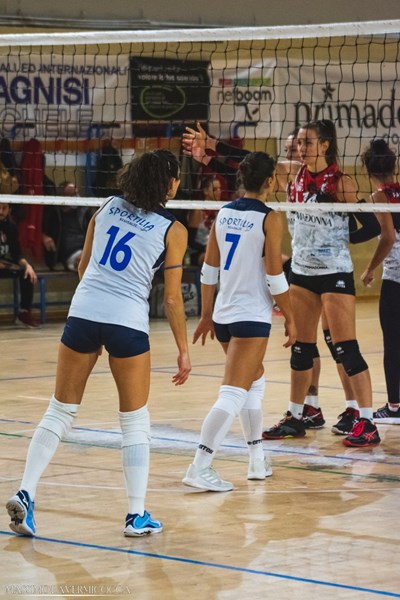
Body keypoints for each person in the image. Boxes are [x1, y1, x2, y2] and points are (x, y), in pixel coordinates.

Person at [6, 149, 191, 537]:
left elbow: (82, 265)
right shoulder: (173, 230)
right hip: (127, 321)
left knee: (59, 411)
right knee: (134, 421)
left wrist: (96, 313)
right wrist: (183, 350)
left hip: (84, 313)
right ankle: (135, 515)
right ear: (169, 183)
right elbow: (173, 299)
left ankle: (26, 491)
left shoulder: (106, 207)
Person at [261, 119, 380, 447]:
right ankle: (295, 416)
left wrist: (342, 237)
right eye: (299, 143)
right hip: (302, 273)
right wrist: (211, 147)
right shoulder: (292, 174)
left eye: (308, 142)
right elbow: (251, 162)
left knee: (346, 348)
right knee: (301, 347)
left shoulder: (341, 183)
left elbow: (372, 227)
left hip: (334, 273)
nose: (301, 148)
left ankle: (367, 421)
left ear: (325, 145)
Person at [182, 151, 296, 492]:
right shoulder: (270, 218)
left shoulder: (224, 213)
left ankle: (257, 459)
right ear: (270, 180)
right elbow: (274, 275)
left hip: (224, 316)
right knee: (232, 393)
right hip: (251, 317)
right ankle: (199, 465)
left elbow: (208, 270)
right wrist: (291, 316)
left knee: (253, 382)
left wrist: (206, 315)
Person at [360, 138, 400, 423]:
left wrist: (370, 268)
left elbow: (388, 237)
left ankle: (394, 407)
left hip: (395, 279)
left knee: (393, 343)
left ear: (368, 170)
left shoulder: (379, 197)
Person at [0, 202, 39, 328]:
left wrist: (27, 265)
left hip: (4, 264)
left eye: (4, 208)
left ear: (9, 210)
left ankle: (24, 313)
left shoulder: (11, 226)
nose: (1, 211)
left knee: (26, 272)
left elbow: (16, 254)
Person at [42, 181, 94, 271]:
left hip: (86, 250)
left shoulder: (85, 211)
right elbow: (38, 229)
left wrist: (88, 251)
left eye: (77, 193)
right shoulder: (53, 214)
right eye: (72, 195)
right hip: (69, 254)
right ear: (63, 198)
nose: (76, 197)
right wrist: (42, 236)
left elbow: (96, 233)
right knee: (84, 263)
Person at [187, 176, 221, 266]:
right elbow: (191, 240)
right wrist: (207, 247)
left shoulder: (221, 210)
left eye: (220, 189)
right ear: (205, 191)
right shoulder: (198, 211)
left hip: (216, 249)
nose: (219, 191)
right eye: (215, 189)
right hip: (198, 251)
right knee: (212, 258)